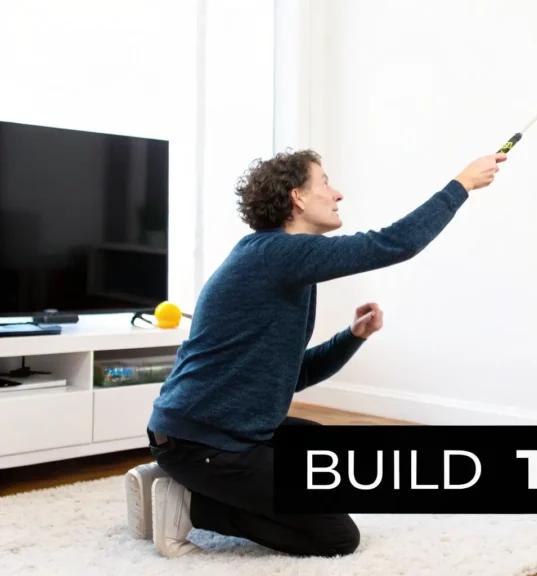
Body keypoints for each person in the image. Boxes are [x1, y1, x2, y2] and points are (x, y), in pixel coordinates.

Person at [123, 149, 506, 558]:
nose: (337, 194)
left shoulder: (279, 261)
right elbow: (395, 243)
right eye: (325, 183)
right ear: (298, 198)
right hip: (200, 442)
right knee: (336, 536)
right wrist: (462, 184)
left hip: (228, 432)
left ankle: (189, 485)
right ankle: (191, 504)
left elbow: (292, 375)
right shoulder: (277, 254)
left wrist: (352, 337)